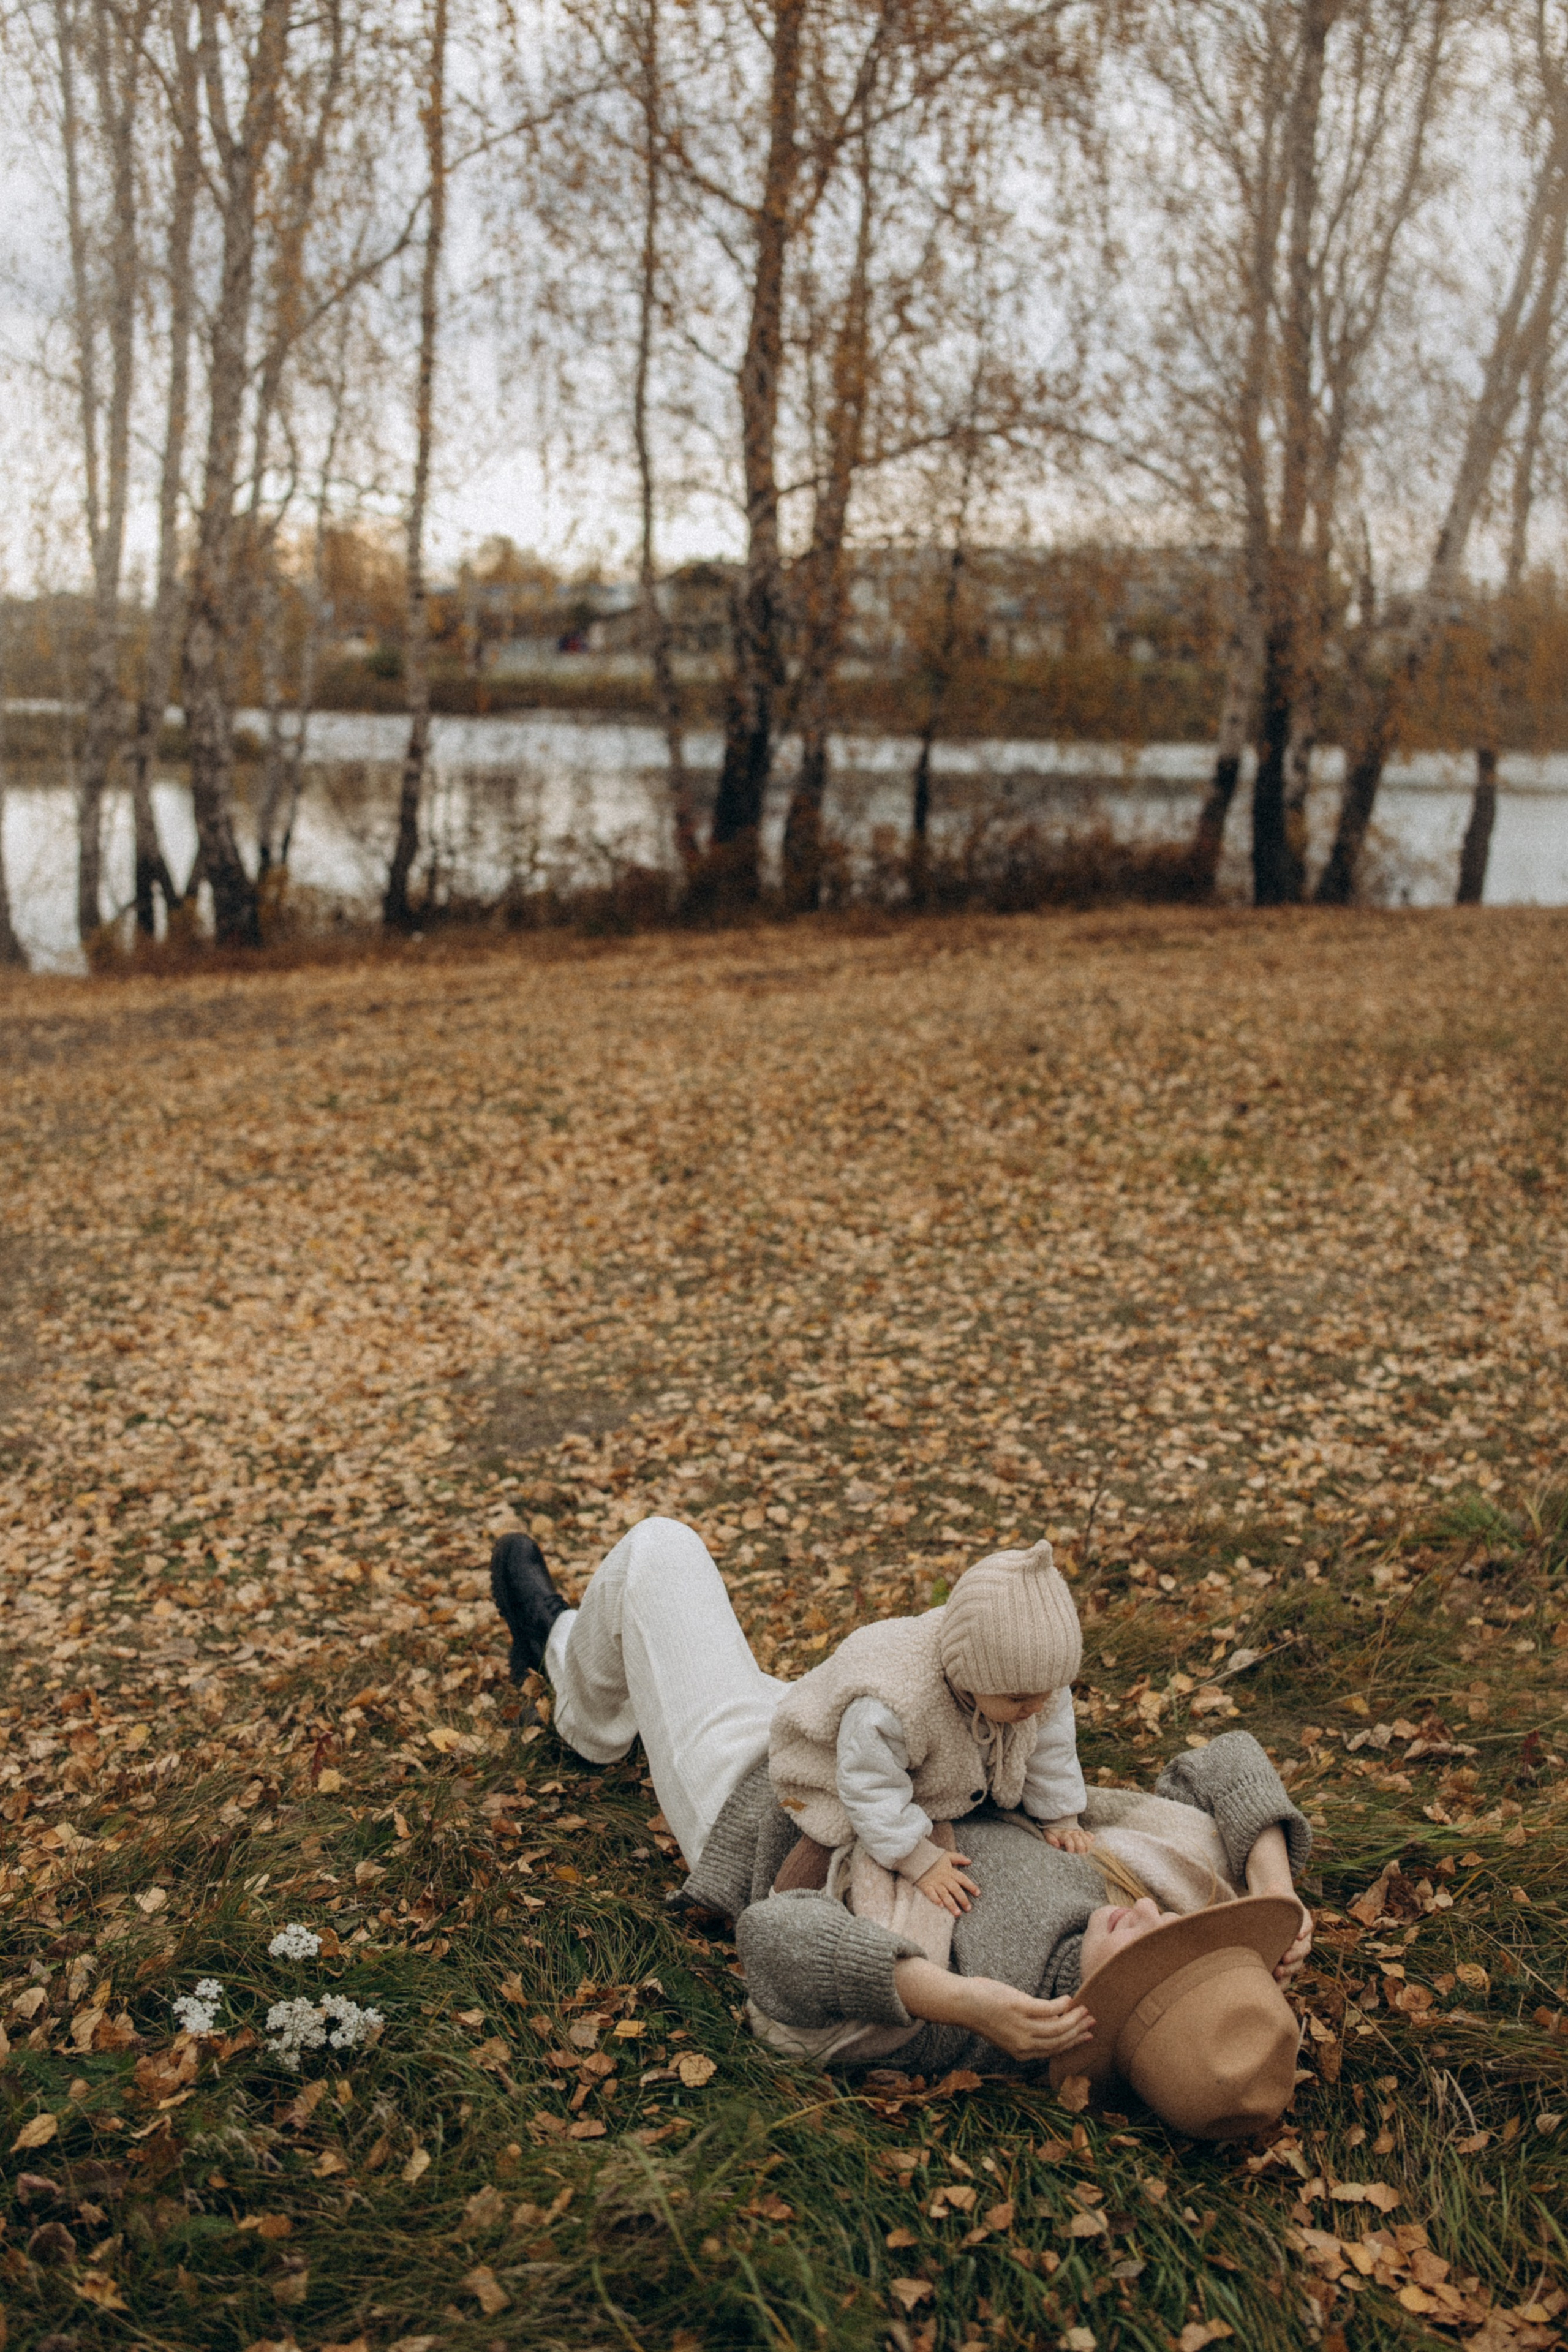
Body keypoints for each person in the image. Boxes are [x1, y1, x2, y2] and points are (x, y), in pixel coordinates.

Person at [491, 1515, 1315, 2139]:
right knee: (794, 1664)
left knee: (659, 1552)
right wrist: (1276, 1897)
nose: (1147, 1912)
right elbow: (1227, 1762)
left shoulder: (981, 2020)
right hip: (901, 1733)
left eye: (1145, 1951)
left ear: (1104, 2018)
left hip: (767, 1794)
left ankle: (576, 1694)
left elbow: (776, 1940)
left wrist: (949, 1998)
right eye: (1174, 1930)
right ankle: (588, 1679)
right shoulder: (1165, 1889)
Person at [767, 1539, 1090, 1928]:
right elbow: (867, 1784)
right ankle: (777, 1920)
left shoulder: (1034, 1684)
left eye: (1049, 1692)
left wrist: (1061, 1814)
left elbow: (1051, 1747)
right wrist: (917, 1859)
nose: (1037, 1707)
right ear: (969, 1678)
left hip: (914, 1758)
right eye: (1020, 1698)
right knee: (831, 1830)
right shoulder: (895, 1704)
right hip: (835, 1761)